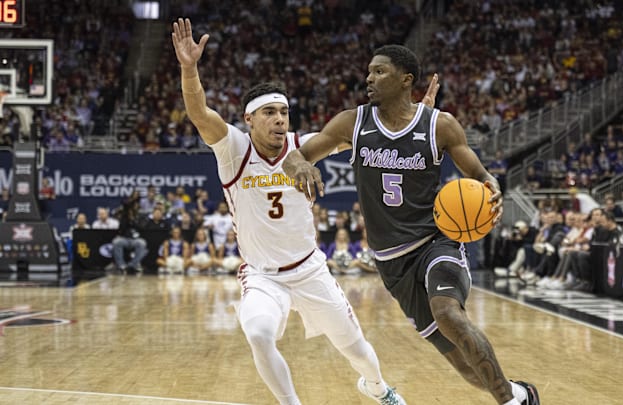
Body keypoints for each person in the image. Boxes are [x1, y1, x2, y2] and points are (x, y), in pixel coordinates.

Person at [172, 18, 423, 405]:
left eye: (284, 113)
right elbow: (200, 112)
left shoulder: (304, 146)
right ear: (249, 119)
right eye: (269, 112)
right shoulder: (233, 148)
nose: (279, 120)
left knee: (357, 352)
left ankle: (378, 388)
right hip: (262, 275)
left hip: (310, 270)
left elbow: (360, 132)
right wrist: (190, 68)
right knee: (258, 333)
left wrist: (410, 118)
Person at [283, 44, 539, 405]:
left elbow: (479, 172)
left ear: (406, 80)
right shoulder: (352, 122)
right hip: (391, 261)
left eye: (379, 72)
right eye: (369, 71)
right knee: (466, 367)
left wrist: (491, 183)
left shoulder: (440, 125)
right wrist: (298, 166)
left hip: (437, 240)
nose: (368, 78)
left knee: (448, 313)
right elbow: (295, 155)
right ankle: (519, 393)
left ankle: (509, 403)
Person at [112, 192, 148, 274]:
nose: (134, 207)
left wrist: (133, 221)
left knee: (142, 243)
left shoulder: (140, 216)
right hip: (125, 238)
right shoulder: (124, 216)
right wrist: (127, 218)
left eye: (135, 206)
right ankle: (121, 265)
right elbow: (121, 228)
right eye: (132, 206)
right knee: (116, 242)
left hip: (135, 239)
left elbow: (141, 228)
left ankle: (132, 265)